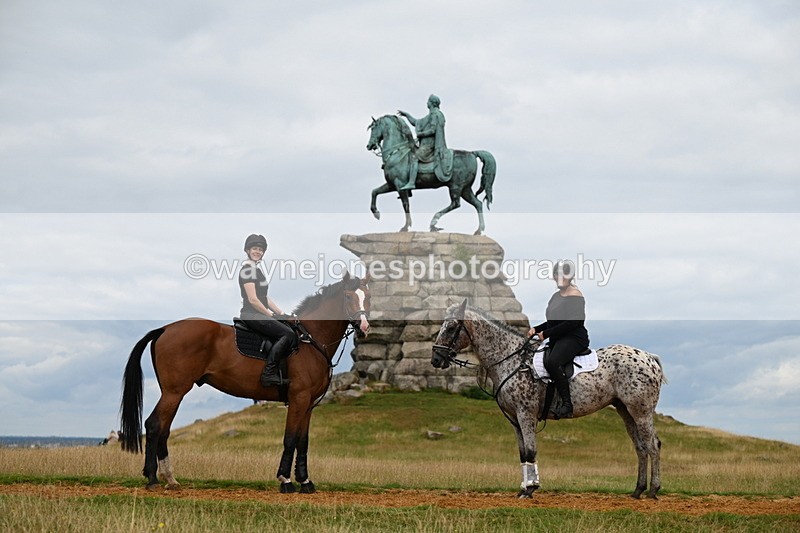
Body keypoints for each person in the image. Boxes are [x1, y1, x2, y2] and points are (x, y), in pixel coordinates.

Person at [527, 260, 590, 419]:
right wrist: (537, 329)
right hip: (559, 338)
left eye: (563, 275)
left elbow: (573, 322)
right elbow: (553, 321)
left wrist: (546, 334)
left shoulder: (576, 295)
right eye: (557, 274)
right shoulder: (556, 296)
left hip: (574, 337)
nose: (559, 277)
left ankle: (567, 405)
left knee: (552, 362)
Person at [238, 234, 298, 387]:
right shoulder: (247, 270)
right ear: (247, 250)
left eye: (260, 249)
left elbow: (264, 297)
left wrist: (281, 313)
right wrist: (269, 314)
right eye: (254, 249)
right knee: (288, 334)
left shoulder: (257, 271)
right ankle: (268, 374)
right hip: (252, 314)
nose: (258, 252)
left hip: (259, 312)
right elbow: (253, 300)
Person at [397, 94, 453, 189]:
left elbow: (433, 130)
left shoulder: (435, 114)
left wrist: (420, 134)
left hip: (430, 146)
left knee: (414, 157)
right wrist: (407, 115)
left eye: (428, 101)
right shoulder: (430, 115)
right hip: (425, 145)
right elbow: (416, 122)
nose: (426, 103)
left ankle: (411, 182)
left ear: (431, 103)